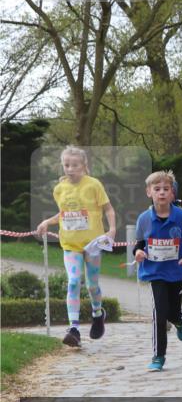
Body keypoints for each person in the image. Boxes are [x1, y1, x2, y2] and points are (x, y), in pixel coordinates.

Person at [35, 146, 116, 347]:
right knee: (73, 282)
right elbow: (63, 214)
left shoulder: (94, 185)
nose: (70, 169)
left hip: (93, 245)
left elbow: (108, 208)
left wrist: (112, 230)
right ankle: (74, 329)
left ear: (84, 166)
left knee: (91, 285)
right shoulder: (59, 189)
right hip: (70, 244)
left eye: (74, 165)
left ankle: (98, 313)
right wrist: (47, 222)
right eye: (66, 165)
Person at [133, 171, 182, 371]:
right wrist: (139, 252)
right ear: (148, 192)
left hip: (176, 272)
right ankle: (158, 356)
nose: (161, 193)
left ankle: (180, 320)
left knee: (173, 312)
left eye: (166, 189)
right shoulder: (144, 219)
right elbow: (139, 244)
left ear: (172, 193)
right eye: (157, 189)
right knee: (159, 313)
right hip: (155, 272)